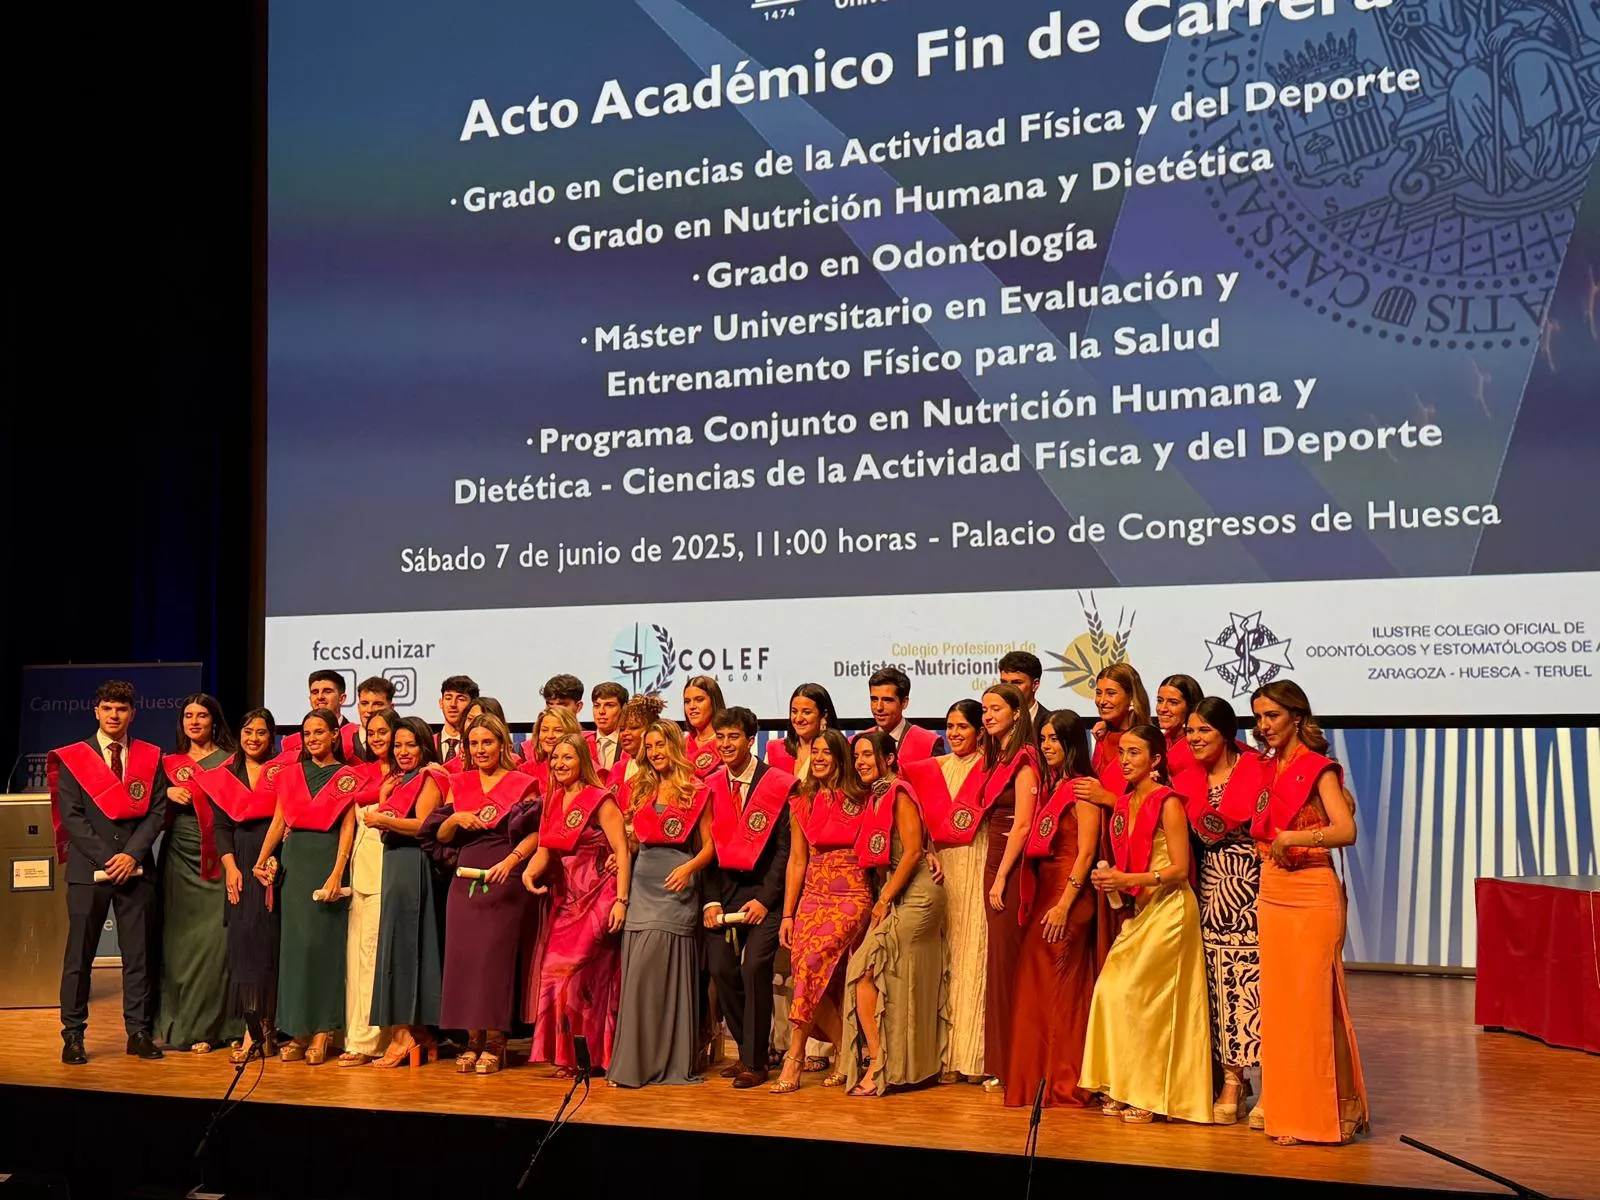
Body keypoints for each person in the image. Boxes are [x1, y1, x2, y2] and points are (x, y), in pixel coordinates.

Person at [1250, 681, 1368, 1146]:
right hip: (1273, 891)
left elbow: (1346, 830)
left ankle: (1322, 1114)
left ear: (1296, 717)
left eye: (1272, 716)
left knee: (1315, 1007)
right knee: (1281, 1010)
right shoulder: (1265, 769)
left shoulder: (1318, 770)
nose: (1264, 726)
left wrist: (1296, 838)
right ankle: (1305, 1109)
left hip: (1313, 892)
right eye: (1258, 717)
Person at [1080, 725, 1212, 1124]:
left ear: (1155, 760)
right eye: (1121, 752)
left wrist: (1129, 881)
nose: (1124, 760)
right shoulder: (1121, 805)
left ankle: (1151, 1094)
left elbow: (1179, 868)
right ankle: (1122, 1082)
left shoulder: (1167, 801)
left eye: (1134, 753)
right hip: (1141, 911)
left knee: (1149, 1004)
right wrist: (1110, 879)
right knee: (1112, 991)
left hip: (1170, 911)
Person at [50, 679, 170, 1065]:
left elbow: (157, 812)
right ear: (96, 711)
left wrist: (131, 856)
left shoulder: (150, 757)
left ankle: (138, 1032)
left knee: (139, 956)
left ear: (132, 713)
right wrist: (108, 858)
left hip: (136, 870)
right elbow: (72, 817)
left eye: (122, 709)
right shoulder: (74, 758)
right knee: (79, 957)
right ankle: (73, 1034)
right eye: (108, 708)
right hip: (90, 871)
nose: (115, 715)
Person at [421, 712, 541, 1075]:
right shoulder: (460, 782)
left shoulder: (523, 783)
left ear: (503, 744)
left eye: (487, 742)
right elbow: (440, 838)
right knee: (465, 962)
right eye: (474, 744)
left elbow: (538, 834)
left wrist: (513, 861)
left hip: (505, 876)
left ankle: (496, 1041)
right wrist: (454, 820)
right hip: (465, 881)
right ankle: (472, 1039)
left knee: (495, 962)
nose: (480, 749)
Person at [840, 731, 947, 1097]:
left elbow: (913, 851)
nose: (861, 762)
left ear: (889, 757)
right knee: (886, 979)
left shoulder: (898, 790)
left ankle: (879, 1063)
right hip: (895, 894)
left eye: (869, 755)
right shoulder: (875, 796)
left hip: (915, 896)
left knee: (865, 971)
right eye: (857, 756)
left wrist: (884, 899)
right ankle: (899, 1064)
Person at [254, 709, 362, 1065]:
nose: (312, 738)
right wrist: (263, 857)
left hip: (327, 858)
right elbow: (278, 821)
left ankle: (323, 1031)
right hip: (295, 861)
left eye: (320, 732)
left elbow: (348, 827)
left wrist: (337, 872)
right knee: (296, 950)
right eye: (307, 733)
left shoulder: (347, 776)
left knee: (324, 948)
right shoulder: (290, 775)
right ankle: (298, 1028)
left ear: (335, 735)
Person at [1005, 711, 1101, 1109]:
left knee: (1062, 990)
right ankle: (1037, 1078)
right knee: (1038, 987)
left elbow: (1087, 851)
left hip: (1069, 897)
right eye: (1043, 738)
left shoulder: (1084, 789)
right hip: (1047, 893)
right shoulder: (1054, 786)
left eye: (1054, 739)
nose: (1046, 746)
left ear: (1072, 743)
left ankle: (1065, 1080)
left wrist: (1065, 904)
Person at [609, 720, 713, 1088]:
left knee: (658, 973)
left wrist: (689, 868)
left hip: (677, 886)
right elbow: (637, 838)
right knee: (637, 977)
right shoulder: (640, 788)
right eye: (649, 747)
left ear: (674, 746)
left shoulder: (697, 791)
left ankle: (666, 1061)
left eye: (660, 745)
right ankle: (635, 1064)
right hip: (642, 884)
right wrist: (626, 851)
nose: (654, 753)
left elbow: (710, 848)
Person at [523, 733, 631, 1075]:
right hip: (567, 901)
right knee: (553, 974)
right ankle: (569, 1058)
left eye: (567, 757)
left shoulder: (601, 800)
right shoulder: (553, 799)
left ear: (582, 760)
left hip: (600, 896)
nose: (559, 764)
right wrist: (530, 871)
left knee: (581, 977)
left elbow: (623, 851)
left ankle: (594, 1056)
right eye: (555, 758)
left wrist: (622, 901)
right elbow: (546, 847)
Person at [772, 729, 873, 1093]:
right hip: (813, 894)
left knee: (814, 963)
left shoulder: (862, 796)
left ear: (840, 758)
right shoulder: (801, 800)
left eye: (826, 752)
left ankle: (794, 1058)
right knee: (813, 976)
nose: (818, 757)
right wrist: (788, 914)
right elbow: (797, 860)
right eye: (814, 751)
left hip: (852, 893)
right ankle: (849, 1054)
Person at [702, 705, 795, 1087]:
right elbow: (705, 850)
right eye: (720, 737)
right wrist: (709, 901)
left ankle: (756, 1062)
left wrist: (766, 900)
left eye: (733, 737)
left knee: (754, 966)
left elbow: (785, 853)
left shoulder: (778, 784)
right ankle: (747, 1051)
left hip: (765, 895)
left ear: (750, 738)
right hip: (722, 895)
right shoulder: (708, 786)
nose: (725, 744)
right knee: (722, 967)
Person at [1184, 697, 1264, 1124]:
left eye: (1204, 731)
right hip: (1211, 890)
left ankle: (1270, 1080)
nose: (1195, 739)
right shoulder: (1187, 779)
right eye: (1191, 731)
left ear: (1227, 733)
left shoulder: (1254, 770)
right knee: (1220, 984)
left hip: (1252, 886)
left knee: (1258, 982)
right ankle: (1233, 1079)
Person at [899, 699, 987, 1081]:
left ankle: (974, 1056)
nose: (954, 733)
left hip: (978, 864)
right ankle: (943, 1057)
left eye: (962, 727)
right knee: (943, 959)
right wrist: (927, 853)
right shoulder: (931, 770)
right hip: (941, 869)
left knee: (972, 957)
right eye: (949, 727)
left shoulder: (992, 769)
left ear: (979, 731)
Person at [155, 693, 239, 1053]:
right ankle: (183, 1026)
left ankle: (220, 1026)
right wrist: (166, 794)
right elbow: (144, 806)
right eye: (188, 715)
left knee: (217, 944)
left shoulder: (232, 761)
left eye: (202, 715)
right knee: (180, 946)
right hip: (179, 859)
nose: (194, 721)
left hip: (221, 860)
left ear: (214, 721)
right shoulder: (167, 764)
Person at [365, 715, 448, 1067]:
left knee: (406, 946)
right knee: (397, 945)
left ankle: (403, 1036)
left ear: (424, 745)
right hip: (395, 864)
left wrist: (383, 818)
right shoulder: (400, 780)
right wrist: (386, 796)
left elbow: (423, 826)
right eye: (397, 745)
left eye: (410, 744)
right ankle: (418, 1034)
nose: (402, 751)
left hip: (413, 865)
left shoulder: (430, 776)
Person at [977, 683, 1041, 1090]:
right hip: (994, 862)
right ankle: (1002, 1060)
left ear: (1018, 712)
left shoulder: (1025, 758)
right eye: (984, 709)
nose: (987, 715)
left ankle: (1016, 1061)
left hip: (1011, 867)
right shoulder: (996, 757)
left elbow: (1023, 823)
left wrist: (1001, 875)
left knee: (1009, 964)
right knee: (999, 964)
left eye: (995, 708)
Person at [212, 708, 284, 1061]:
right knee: (245, 948)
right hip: (241, 861)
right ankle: (250, 1030)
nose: (254, 738)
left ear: (271, 737)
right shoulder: (227, 774)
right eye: (248, 731)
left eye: (261, 732)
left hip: (274, 862)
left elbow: (292, 816)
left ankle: (269, 1031)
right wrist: (230, 867)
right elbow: (220, 828)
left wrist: (275, 856)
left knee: (270, 946)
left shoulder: (283, 772)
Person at [339, 707, 400, 1065]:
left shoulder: (409, 775)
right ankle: (354, 1035)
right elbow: (348, 818)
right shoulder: (359, 774)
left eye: (384, 732)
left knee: (374, 957)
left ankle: (373, 1041)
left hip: (386, 870)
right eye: (371, 733)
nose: (377, 739)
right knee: (355, 957)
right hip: (358, 871)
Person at [1076, 663, 1151, 812]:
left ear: (1131, 698)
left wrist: (1106, 798)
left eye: (1111, 693)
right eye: (1099, 693)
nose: (1102, 701)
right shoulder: (1103, 737)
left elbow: (1148, 808)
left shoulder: (1147, 741)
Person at [863, 667, 940, 762]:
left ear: (904, 702)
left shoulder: (929, 744)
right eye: (874, 699)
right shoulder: (857, 742)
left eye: (887, 700)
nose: (879, 707)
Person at [281, 671, 360, 759]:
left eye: (327, 691)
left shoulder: (357, 735)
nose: (320, 697)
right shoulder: (290, 743)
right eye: (315, 692)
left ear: (341, 699)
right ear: (310, 699)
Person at [766, 682, 836, 777]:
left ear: (824, 715)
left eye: (806, 712)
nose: (798, 719)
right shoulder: (775, 750)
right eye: (794, 712)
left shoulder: (839, 751)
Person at [1155, 674, 1205, 802]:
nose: (1162, 709)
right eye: (1160, 701)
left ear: (1190, 707)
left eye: (1173, 702)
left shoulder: (1199, 746)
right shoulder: (1162, 740)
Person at [611, 694, 665, 791]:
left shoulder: (661, 767)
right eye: (622, 729)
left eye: (634, 728)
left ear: (651, 729)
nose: (625, 733)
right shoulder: (617, 768)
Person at [998, 650, 1051, 742]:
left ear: (1035, 685)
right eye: (1004, 682)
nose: (1008, 689)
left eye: (1017, 683)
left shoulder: (1050, 722)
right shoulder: (992, 722)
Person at [682, 675, 726, 778]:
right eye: (687, 702)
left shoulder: (726, 742)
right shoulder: (681, 746)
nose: (692, 706)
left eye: (699, 700)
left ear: (714, 702)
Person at [436, 674, 480, 764]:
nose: (453, 704)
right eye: (448, 698)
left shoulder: (478, 746)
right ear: (441, 703)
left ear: (473, 705)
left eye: (461, 699)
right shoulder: (429, 744)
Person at [352, 676, 395, 760]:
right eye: (364, 703)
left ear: (391, 708)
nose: (370, 710)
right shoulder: (345, 742)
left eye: (378, 704)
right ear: (358, 707)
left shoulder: (402, 743)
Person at [590, 681, 629, 770]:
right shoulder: (582, 742)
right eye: (597, 705)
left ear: (624, 708)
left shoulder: (630, 744)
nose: (601, 711)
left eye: (609, 705)